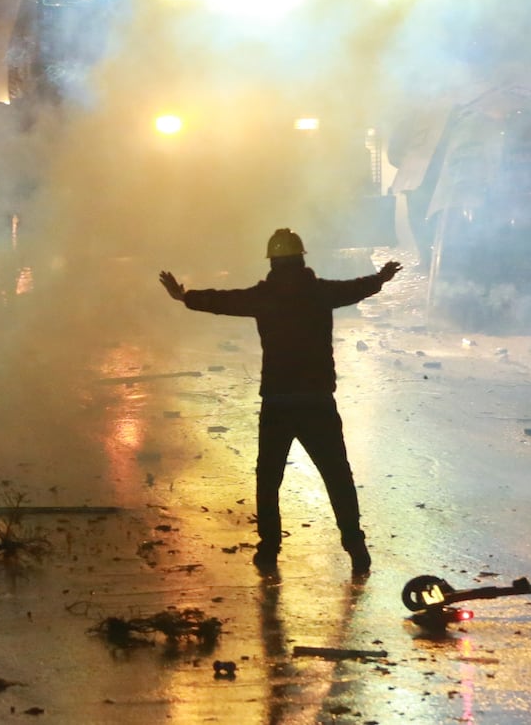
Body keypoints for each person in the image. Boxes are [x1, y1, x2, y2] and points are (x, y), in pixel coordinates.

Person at [160, 229, 401, 578]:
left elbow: (225, 300)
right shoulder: (320, 293)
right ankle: (356, 547)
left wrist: (185, 297)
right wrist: (380, 278)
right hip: (318, 401)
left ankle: (269, 550)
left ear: (272, 262)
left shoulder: (264, 297)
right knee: (337, 476)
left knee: (269, 479)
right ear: (302, 259)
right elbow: (355, 289)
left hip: (278, 401)